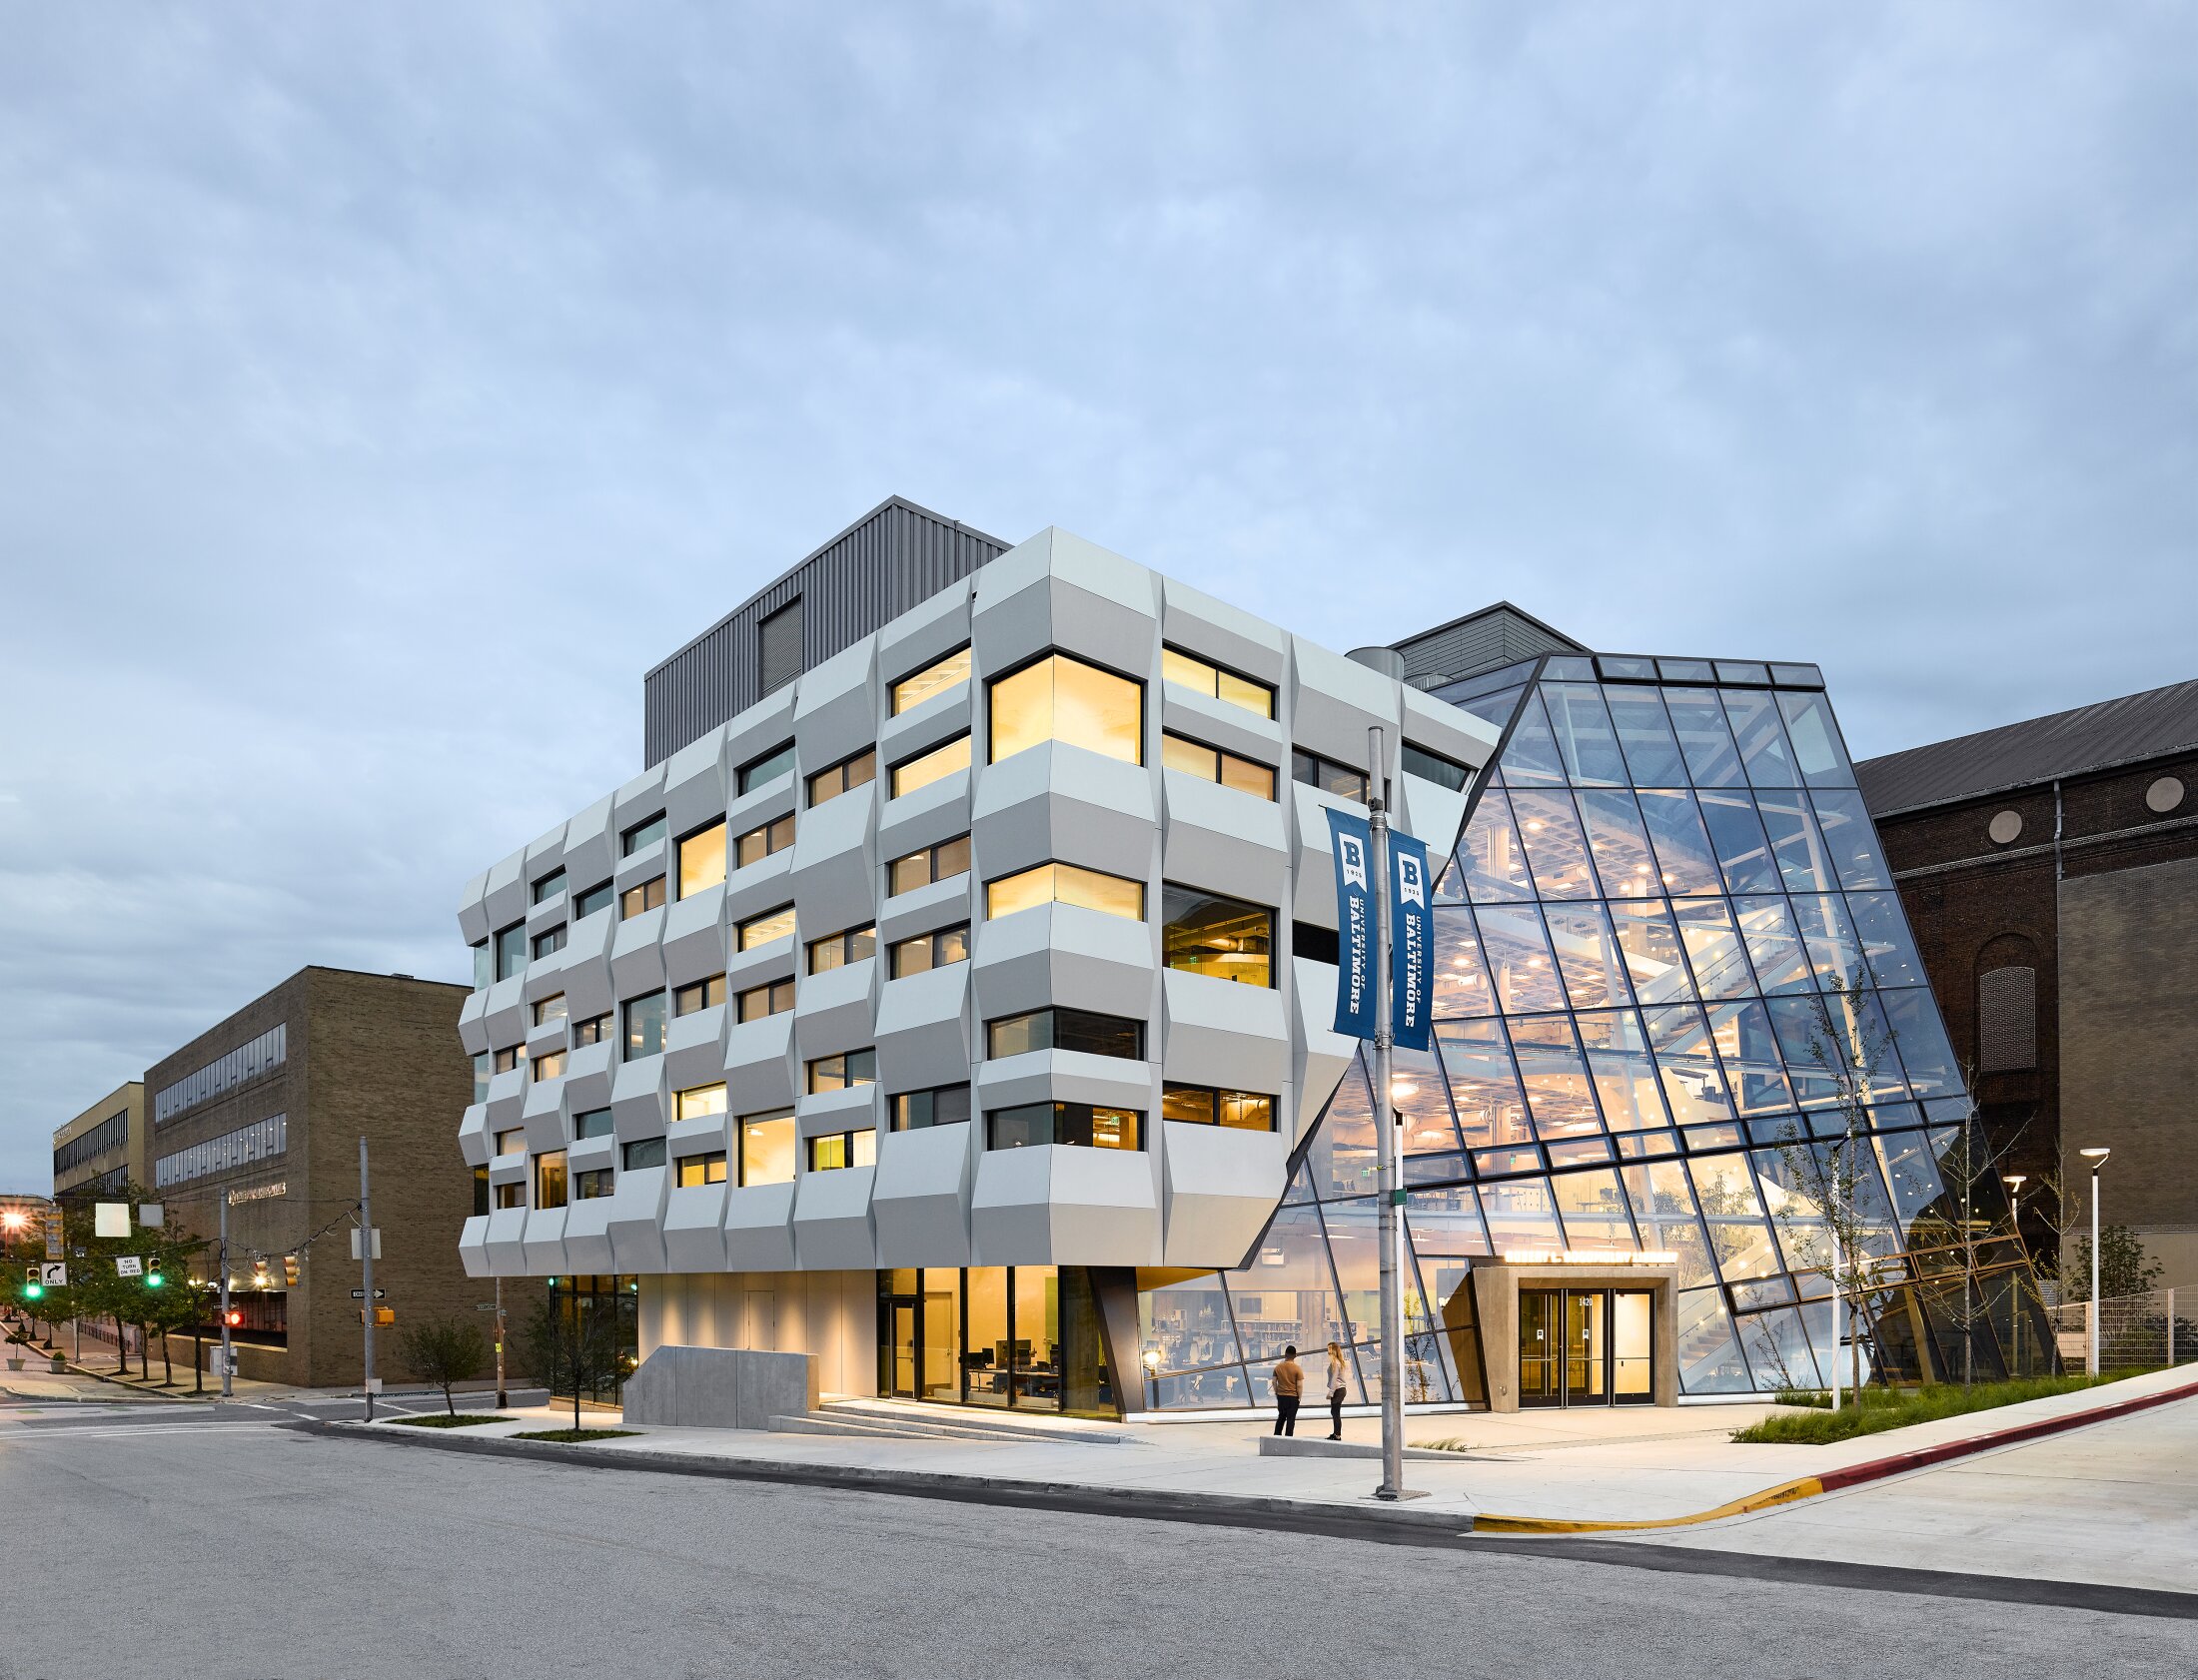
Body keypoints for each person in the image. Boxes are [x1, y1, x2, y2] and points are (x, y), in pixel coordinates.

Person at [1271, 1345, 1304, 1436]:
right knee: (1291, 1419)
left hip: (1281, 1396)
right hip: (1293, 1397)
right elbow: (1299, 1385)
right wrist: (1299, 1397)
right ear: (1295, 1356)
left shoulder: (1278, 1367)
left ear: (1285, 1354)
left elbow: (1273, 1382)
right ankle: (1288, 1439)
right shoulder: (1297, 1369)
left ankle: (1277, 1436)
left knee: (1281, 1417)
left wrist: (1277, 1392)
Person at [1325, 1340, 1348, 1439]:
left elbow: (1334, 1379)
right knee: (1334, 1412)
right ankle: (1335, 1433)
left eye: (1328, 1349)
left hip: (1338, 1390)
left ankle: (1337, 1435)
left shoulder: (1335, 1363)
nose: (1327, 1352)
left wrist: (1330, 1392)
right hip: (1340, 1389)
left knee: (1335, 1413)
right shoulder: (1338, 1362)